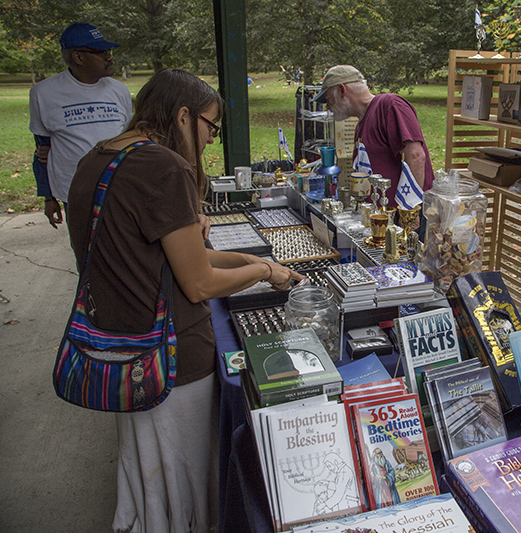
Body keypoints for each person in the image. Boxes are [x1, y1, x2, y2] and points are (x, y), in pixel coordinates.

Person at [67, 68, 304, 533]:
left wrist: (263, 263)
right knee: (187, 475)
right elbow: (197, 285)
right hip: (168, 355)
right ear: (181, 116)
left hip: (119, 343)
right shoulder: (162, 167)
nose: (211, 141)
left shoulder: (101, 156)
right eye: (211, 127)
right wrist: (260, 271)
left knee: (146, 463)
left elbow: (183, 256)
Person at [29, 22, 133, 229]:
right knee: (87, 255)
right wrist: (48, 198)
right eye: (103, 53)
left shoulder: (119, 91)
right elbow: (42, 150)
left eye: (109, 52)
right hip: (76, 192)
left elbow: (131, 138)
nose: (110, 57)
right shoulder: (43, 94)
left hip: (120, 189)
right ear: (78, 57)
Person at [311, 65, 434, 209]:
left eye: (328, 99)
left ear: (342, 90)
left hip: (403, 215)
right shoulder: (361, 124)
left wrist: (410, 212)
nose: (328, 107)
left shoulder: (390, 105)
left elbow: (416, 156)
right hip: (380, 217)